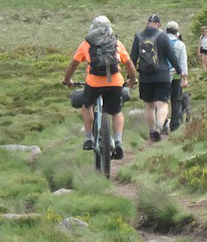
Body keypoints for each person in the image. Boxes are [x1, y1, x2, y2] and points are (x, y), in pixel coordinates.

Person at [61, 15, 134, 159]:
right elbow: (129, 64)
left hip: (94, 83)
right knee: (116, 111)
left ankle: (89, 138)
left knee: (87, 106)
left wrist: (67, 80)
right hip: (115, 82)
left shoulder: (86, 44)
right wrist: (133, 79)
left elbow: (73, 64)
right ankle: (118, 141)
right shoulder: (117, 43)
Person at [130, 13, 182, 143]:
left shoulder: (138, 37)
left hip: (145, 76)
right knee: (162, 103)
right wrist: (180, 71)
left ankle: (152, 130)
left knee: (149, 105)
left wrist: (130, 77)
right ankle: (159, 127)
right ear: (159, 25)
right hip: (162, 75)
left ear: (147, 24)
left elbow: (132, 58)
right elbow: (171, 56)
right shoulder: (163, 36)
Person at [164, 21, 190, 134]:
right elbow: (183, 63)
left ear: (166, 30)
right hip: (175, 76)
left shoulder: (161, 42)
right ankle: (175, 125)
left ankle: (162, 124)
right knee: (176, 100)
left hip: (162, 76)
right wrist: (185, 78)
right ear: (177, 32)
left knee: (162, 101)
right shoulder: (180, 44)